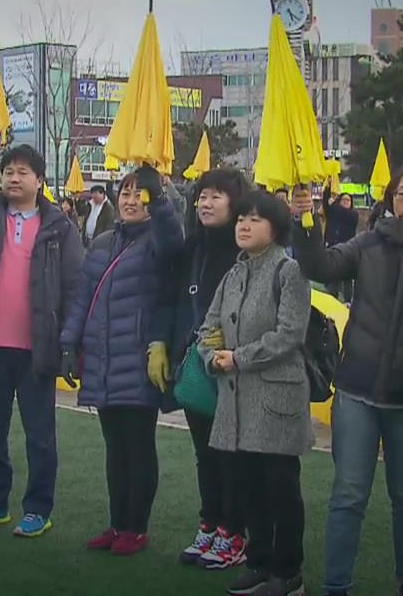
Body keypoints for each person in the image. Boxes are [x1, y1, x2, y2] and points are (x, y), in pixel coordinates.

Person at [291, 163, 403, 596]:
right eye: (402, 194)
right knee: (348, 494)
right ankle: (336, 584)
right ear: (390, 199)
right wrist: (306, 221)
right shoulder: (369, 242)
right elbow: (321, 265)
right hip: (357, 388)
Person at [0, 138, 84, 538]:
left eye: (23, 171)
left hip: (36, 350)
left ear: (40, 180)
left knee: (40, 434)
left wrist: (71, 344)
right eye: (8, 170)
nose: (13, 177)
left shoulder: (59, 226)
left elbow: (74, 287)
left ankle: (38, 508)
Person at [60, 166, 183, 556]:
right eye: (125, 193)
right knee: (115, 448)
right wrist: (69, 344)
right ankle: (117, 523)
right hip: (102, 358)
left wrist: (159, 197)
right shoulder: (102, 243)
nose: (131, 201)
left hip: (140, 358)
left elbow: (174, 241)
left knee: (138, 445)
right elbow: (83, 298)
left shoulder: (158, 241)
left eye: (138, 194)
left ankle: (137, 527)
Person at [198, 191, 312, 596]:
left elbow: (289, 335)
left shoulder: (289, 271)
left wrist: (239, 357)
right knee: (249, 487)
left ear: (276, 227)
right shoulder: (234, 273)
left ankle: (288, 571)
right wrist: (212, 356)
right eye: (241, 219)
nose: (244, 226)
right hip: (236, 399)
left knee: (281, 488)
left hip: (275, 399)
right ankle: (259, 562)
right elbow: (209, 326)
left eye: (255, 220)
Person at [163, 168, 252, 569]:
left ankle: (235, 532)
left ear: (235, 203)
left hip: (237, 368)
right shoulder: (193, 248)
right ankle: (210, 523)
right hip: (198, 365)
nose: (205, 203)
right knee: (205, 452)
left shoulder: (247, 249)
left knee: (232, 454)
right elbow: (178, 299)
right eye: (201, 196)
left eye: (215, 196)